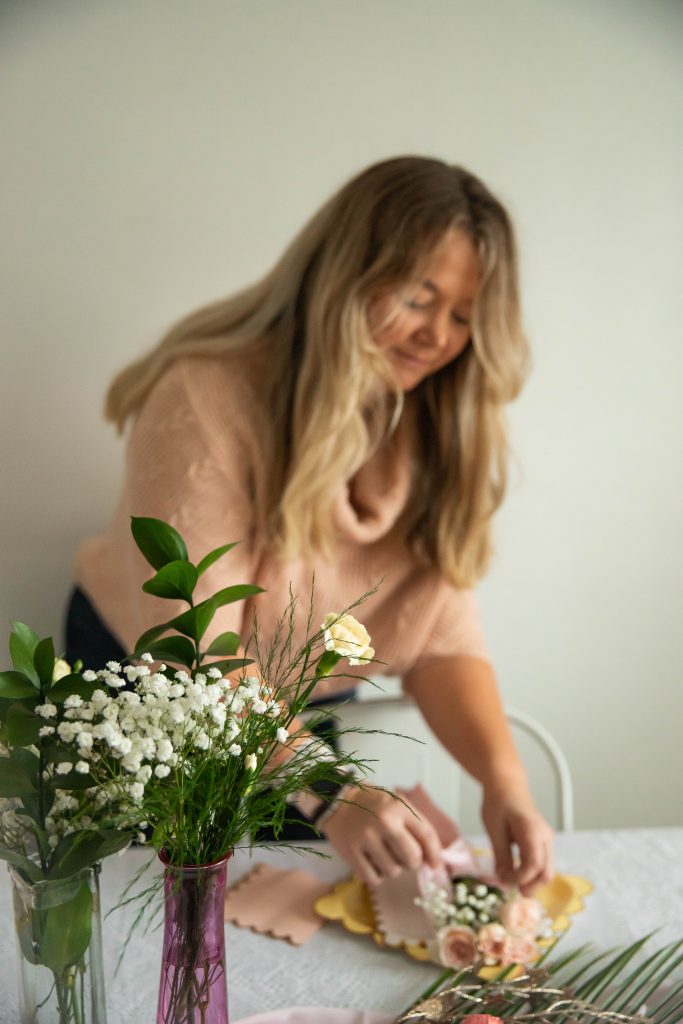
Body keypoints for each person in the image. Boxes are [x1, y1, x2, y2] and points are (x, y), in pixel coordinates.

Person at [65, 155, 554, 893]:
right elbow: (197, 646)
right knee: (156, 917)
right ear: (347, 275)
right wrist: (329, 793)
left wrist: (503, 780)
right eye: (419, 298)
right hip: (153, 696)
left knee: (291, 908)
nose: (437, 338)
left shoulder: (433, 413)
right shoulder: (204, 395)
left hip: (284, 705)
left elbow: (439, 633)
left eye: (462, 315)